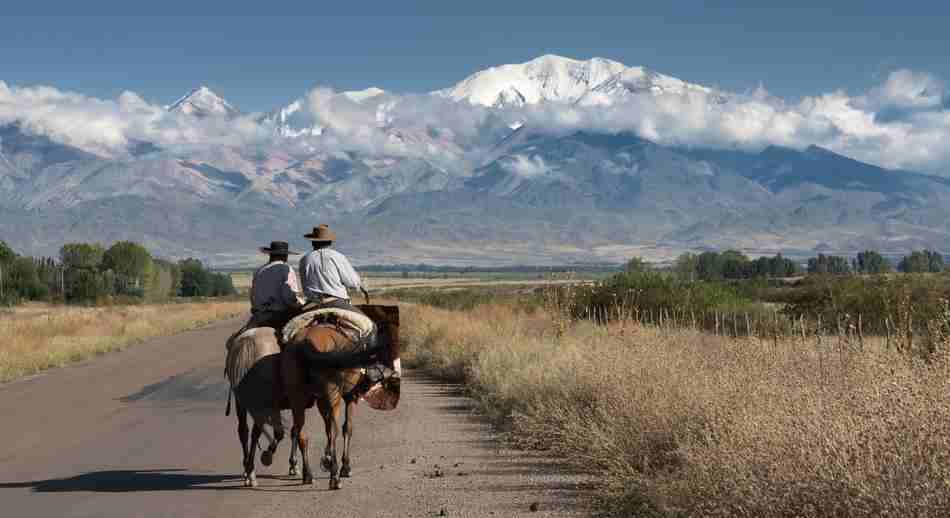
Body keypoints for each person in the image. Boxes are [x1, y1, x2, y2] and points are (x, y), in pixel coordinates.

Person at [299, 224, 367, 308]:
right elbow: (352, 282)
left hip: (313, 303)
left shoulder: (304, 259)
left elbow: (304, 284)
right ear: (330, 242)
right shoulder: (338, 257)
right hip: (337, 302)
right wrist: (358, 284)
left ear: (313, 242)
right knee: (365, 320)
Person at [247, 240, 305, 330]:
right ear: (285, 256)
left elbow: (253, 295)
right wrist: (300, 304)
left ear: (270, 254)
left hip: (259, 315)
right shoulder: (286, 269)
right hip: (280, 315)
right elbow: (289, 297)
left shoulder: (259, 270)